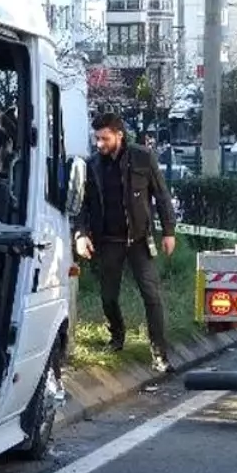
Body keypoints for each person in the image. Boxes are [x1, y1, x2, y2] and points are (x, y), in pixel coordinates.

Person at [74, 114, 177, 373]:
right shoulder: (92, 165)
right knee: (108, 296)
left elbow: (161, 195)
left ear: (119, 134)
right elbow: (83, 206)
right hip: (108, 241)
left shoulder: (143, 157)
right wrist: (81, 234)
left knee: (151, 295)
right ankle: (117, 337)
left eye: (104, 138)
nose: (99, 144)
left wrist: (168, 231)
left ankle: (159, 353)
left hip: (139, 239)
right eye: (96, 139)